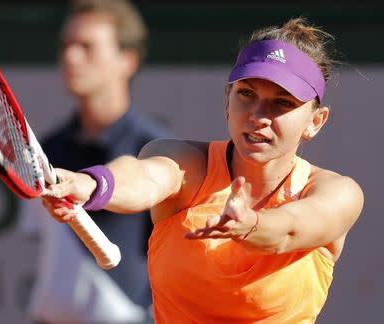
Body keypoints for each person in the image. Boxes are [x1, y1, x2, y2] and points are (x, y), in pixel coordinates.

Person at [42, 18, 364, 323]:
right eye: (247, 94)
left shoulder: (337, 193)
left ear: (315, 121)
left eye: (281, 103)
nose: (257, 115)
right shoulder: (185, 163)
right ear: (228, 98)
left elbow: (291, 228)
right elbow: (145, 176)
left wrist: (250, 224)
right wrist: (93, 183)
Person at [18, 0, 171, 323]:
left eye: (87, 47)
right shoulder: (49, 149)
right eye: (66, 45)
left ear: (126, 60)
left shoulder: (156, 149)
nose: (70, 57)